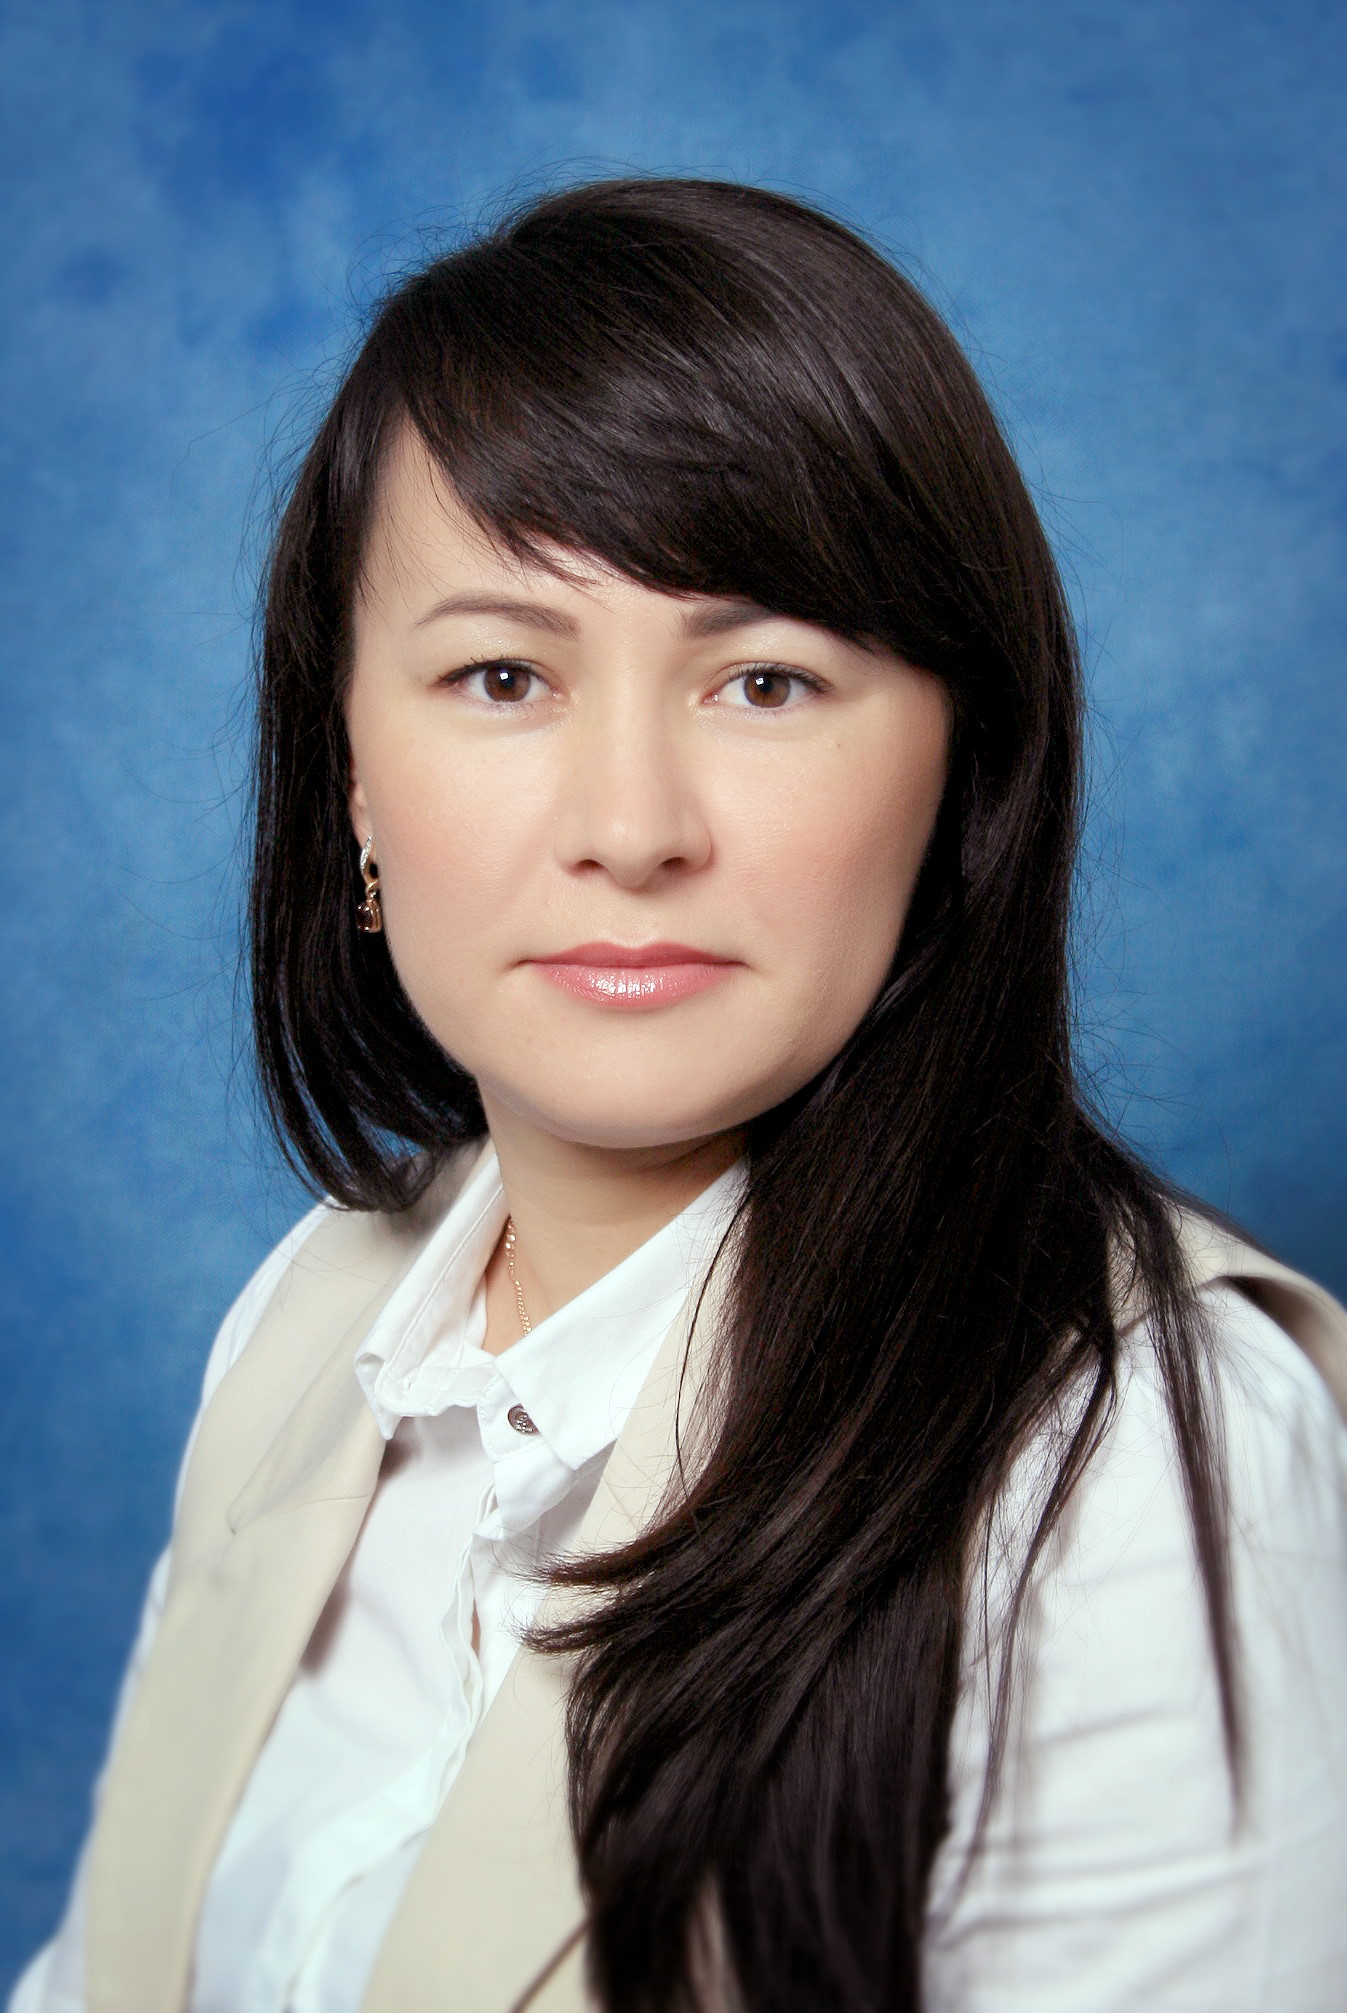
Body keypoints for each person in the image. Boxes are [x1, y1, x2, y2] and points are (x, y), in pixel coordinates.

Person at [11, 177, 1347, 2013]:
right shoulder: (310, 1321)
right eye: (501, 674)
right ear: (352, 778)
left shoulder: (1137, 1466)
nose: (632, 828)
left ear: (961, 768)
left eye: (767, 681)